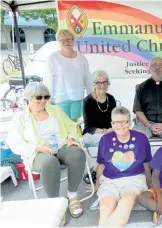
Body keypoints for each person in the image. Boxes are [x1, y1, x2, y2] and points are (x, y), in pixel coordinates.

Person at [7, 82, 86, 218]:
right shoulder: (20, 118)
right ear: (29, 98)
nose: (43, 100)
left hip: (60, 146)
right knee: (49, 162)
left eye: (46, 96)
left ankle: (72, 195)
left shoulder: (55, 110)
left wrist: (72, 138)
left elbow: (71, 126)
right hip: (37, 152)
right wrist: (38, 148)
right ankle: (55, 204)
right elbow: (14, 142)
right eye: (39, 97)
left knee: (78, 153)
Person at [95, 106, 152, 227]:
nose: (120, 125)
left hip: (134, 180)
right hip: (110, 181)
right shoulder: (105, 139)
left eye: (124, 121)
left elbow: (146, 164)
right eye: (116, 122)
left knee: (125, 204)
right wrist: (97, 185)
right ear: (111, 123)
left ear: (130, 122)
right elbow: (101, 165)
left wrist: (150, 184)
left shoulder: (141, 139)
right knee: (105, 210)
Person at [43, 28, 93, 120]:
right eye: (63, 40)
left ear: (73, 40)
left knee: (75, 124)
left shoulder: (81, 57)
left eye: (69, 39)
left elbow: (87, 78)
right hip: (60, 98)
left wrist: (92, 94)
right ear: (58, 41)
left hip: (77, 96)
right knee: (62, 126)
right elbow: (48, 80)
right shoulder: (52, 58)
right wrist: (47, 98)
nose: (67, 42)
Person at [133, 57, 162, 145]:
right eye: (154, 65)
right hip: (146, 123)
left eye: (160, 65)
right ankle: (144, 159)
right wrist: (149, 126)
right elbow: (138, 111)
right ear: (150, 68)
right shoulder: (141, 87)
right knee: (138, 139)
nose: (157, 68)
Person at [82, 70, 117, 146]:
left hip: (109, 132)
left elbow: (115, 120)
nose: (102, 85)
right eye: (98, 83)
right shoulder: (87, 101)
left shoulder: (111, 99)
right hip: (90, 134)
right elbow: (88, 128)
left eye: (105, 82)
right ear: (93, 84)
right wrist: (105, 131)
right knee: (108, 140)